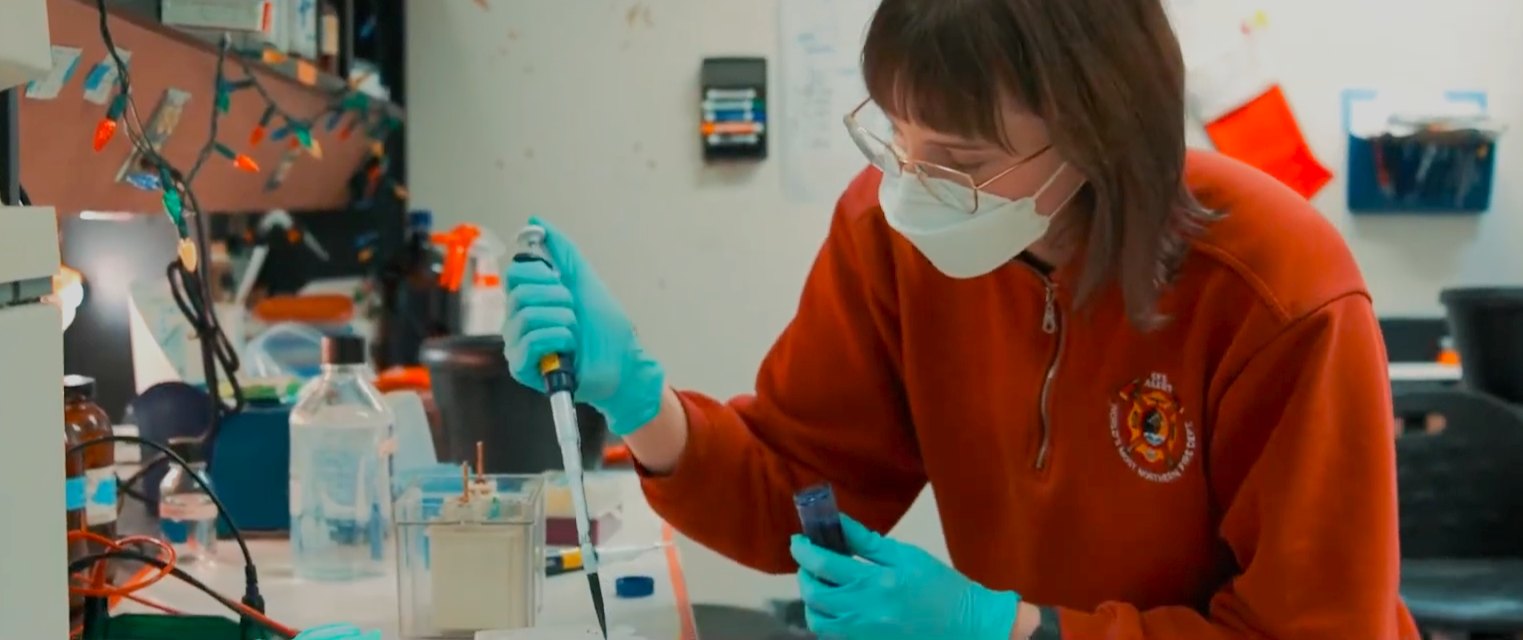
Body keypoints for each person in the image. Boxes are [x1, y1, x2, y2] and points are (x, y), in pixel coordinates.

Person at [501, 0, 1417, 638]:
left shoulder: (1277, 290)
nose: (908, 187)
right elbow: (800, 488)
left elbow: (1317, 628)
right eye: (896, 138)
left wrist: (1010, 627)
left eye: (961, 158)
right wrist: (639, 405)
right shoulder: (889, 232)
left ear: (1103, 136)